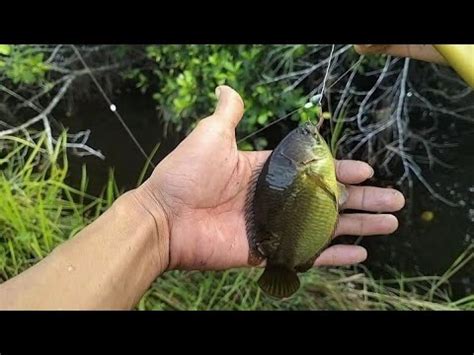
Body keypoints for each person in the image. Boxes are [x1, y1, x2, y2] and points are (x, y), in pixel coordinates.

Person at [3, 45, 445, 310]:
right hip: (289, 228)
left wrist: (160, 220)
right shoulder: (316, 170)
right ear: (312, 164)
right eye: (310, 138)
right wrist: (159, 217)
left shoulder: (313, 169)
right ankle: (285, 259)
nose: (315, 135)